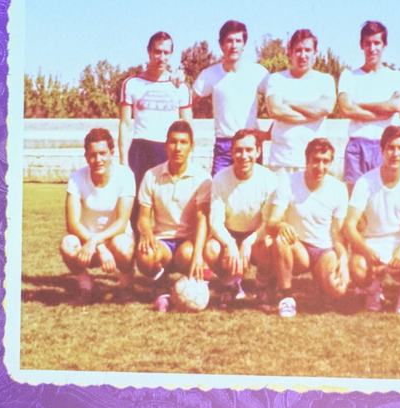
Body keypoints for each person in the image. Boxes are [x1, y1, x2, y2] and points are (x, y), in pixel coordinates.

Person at [342, 124, 400, 314]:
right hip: (374, 245)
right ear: (382, 150)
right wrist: (365, 250)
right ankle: (373, 291)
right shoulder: (365, 182)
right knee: (357, 267)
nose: (395, 153)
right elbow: (349, 225)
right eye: (390, 148)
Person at [202, 127, 286, 303]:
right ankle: (230, 283)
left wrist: (249, 242)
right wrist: (230, 243)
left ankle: (261, 284)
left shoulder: (268, 179)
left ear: (258, 151)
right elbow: (215, 222)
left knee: (271, 246)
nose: (244, 155)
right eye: (238, 150)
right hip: (230, 233)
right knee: (210, 249)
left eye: (249, 150)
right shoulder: (220, 179)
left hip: (256, 235)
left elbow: (268, 223)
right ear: (232, 153)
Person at [270, 137, 350, 317]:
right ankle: (286, 297)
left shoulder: (338, 189)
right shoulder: (289, 182)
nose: (320, 167)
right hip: (299, 249)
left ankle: (320, 283)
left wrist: (343, 259)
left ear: (330, 163)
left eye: (325, 161)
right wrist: (281, 224)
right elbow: (272, 221)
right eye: (316, 160)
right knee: (280, 239)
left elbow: (338, 234)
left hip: (323, 250)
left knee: (338, 289)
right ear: (307, 160)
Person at [135, 120, 209, 310]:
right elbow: (143, 216)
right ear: (166, 145)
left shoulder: (202, 178)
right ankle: (161, 285)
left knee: (189, 253)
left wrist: (199, 253)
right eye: (173, 142)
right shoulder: (151, 175)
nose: (178, 148)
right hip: (163, 243)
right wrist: (147, 233)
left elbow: (203, 218)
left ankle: (191, 284)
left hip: (187, 243)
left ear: (191, 146)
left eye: (183, 142)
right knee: (144, 255)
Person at [60, 127, 135, 300]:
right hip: (88, 242)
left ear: (112, 153)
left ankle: (125, 285)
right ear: (86, 156)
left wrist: (98, 241)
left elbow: (122, 223)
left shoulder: (125, 175)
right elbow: (72, 224)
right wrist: (96, 244)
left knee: (124, 247)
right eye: (93, 155)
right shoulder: (76, 178)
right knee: (67, 244)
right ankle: (86, 286)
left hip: (115, 241)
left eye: (103, 153)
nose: (98, 159)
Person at [335, 21, 400, 186]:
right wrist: (382, 113)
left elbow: (395, 106)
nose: (372, 48)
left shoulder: (397, 77)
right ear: (361, 45)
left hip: (386, 146)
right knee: (354, 200)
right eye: (368, 43)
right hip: (357, 145)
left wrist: (360, 104)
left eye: (377, 43)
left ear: (384, 45)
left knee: (384, 196)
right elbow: (346, 109)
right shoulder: (349, 76)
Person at [192, 20, 270, 176]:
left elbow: (280, 99)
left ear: (244, 44)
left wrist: (268, 134)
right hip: (224, 145)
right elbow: (186, 101)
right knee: (218, 193)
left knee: (252, 194)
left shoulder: (258, 73)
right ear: (221, 45)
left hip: (249, 144)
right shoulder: (210, 74)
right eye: (229, 41)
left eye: (238, 41)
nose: (233, 45)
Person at [119, 31, 192, 190]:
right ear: (149, 51)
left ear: (171, 54)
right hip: (140, 149)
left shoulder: (180, 86)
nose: (162, 57)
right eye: (158, 51)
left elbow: (188, 126)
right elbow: (125, 125)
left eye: (166, 53)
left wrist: (189, 157)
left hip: (168, 148)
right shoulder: (132, 84)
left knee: (167, 203)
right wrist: (123, 161)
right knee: (137, 204)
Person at [263, 29, 335, 176]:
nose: (303, 55)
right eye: (298, 50)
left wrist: (289, 103)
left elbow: (326, 108)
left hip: (314, 161)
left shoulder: (325, 80)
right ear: (290, 52)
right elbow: (275, 110)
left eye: (308, 50)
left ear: (315, 53)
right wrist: (312, 114)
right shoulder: (277, 79)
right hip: (281, 161)